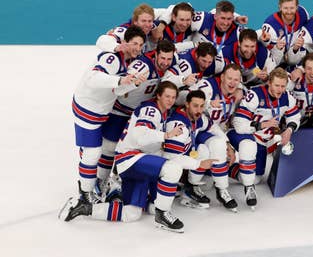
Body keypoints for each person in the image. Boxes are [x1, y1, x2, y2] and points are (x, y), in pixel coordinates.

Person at [60, 82, 214, 232]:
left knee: (132, 213)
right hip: (130, 158)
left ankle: (84, 208)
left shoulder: (165, 114)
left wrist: (197, 163)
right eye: (167, 96)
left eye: (173, 97)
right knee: (172, 169)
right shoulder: (151, 110)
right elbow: (140, 135)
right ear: (158, 96)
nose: (170, 100)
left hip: (140, 164)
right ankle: (162, 215)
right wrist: (166, 135)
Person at [71, 26, 147, 204]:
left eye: (141, 44)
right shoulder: (112, 58)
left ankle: (91, 183)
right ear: (125, 43)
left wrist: (133, 84)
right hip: (88, 108)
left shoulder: (131, 62)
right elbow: (93, 78)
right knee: (92, 153)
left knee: (95, 150)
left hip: (102, 111)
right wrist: (120, 80)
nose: (137, 47)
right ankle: (85, 193)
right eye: (134, 43)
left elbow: (118, 91)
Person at [98, 39, 176, 200]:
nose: (165, 62)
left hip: (139, 114)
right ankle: (100, 182)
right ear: (156, 54)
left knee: (135, 148)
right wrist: (132, 82)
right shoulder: (143, 66)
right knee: (109, 149)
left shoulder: (170, 64)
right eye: (162, 58)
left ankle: (119, 182)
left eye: (169, 59)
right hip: (120, 112)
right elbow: (118, 89)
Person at [231, 68, 301, 209]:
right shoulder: (255, 95)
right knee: (248, 148)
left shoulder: (287, 97)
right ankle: (248, 187)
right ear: (269, 83)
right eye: (276, 85)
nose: (280, 89)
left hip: (262, 139)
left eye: (282, 86)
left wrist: (289, 129)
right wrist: (261, 124)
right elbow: (238, 123)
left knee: (257, 178)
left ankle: (227, 168)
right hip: (244, 134)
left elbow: (294, 116)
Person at [258, 0, 310, 70]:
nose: (289, 11)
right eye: (285, 8)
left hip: (296, 59)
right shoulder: (270, 25)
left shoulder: (303, 14)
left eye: (292, 8)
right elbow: (267, 55)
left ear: (297, 7)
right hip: (277, 64)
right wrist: (274, 46)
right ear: (280, 7)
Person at [96, 3, 162, 54]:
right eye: (143, 21)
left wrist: (161, 26)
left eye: (150, 21)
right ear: (135, 21)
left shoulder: (151, 26)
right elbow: (101, 41)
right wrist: (118, 47)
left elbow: (169, 11)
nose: (147, 25)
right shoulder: (124, 30)